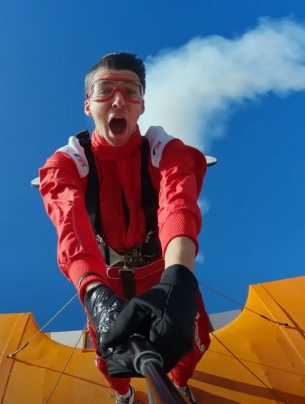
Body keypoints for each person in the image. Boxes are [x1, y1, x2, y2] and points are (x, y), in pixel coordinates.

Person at [39, 52, 210, 404]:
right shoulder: (69, 163)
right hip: (104, 279)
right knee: (110, 352)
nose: (119, 100)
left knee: (188, 338)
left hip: (163, 272)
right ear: (89, 105)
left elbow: (178, 202)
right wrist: (94, 292)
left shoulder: (165, 151)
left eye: (131, 92)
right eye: (105, 90)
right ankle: (125, 394)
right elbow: (69, 221)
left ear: (142, 106)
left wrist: (178, 277)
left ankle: (179, 384)